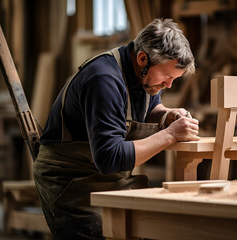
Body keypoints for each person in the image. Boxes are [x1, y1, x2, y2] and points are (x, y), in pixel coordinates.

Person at [33, 18, 200, 239]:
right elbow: (109, 158)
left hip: (108, 180)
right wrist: (170, 134)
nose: (169, 85)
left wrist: (166, 114)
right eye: (167, 77)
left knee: (159, 224)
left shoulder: (144, 74)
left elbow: (149, 104)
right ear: (142, 58)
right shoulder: (104, 80)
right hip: (70, 181)